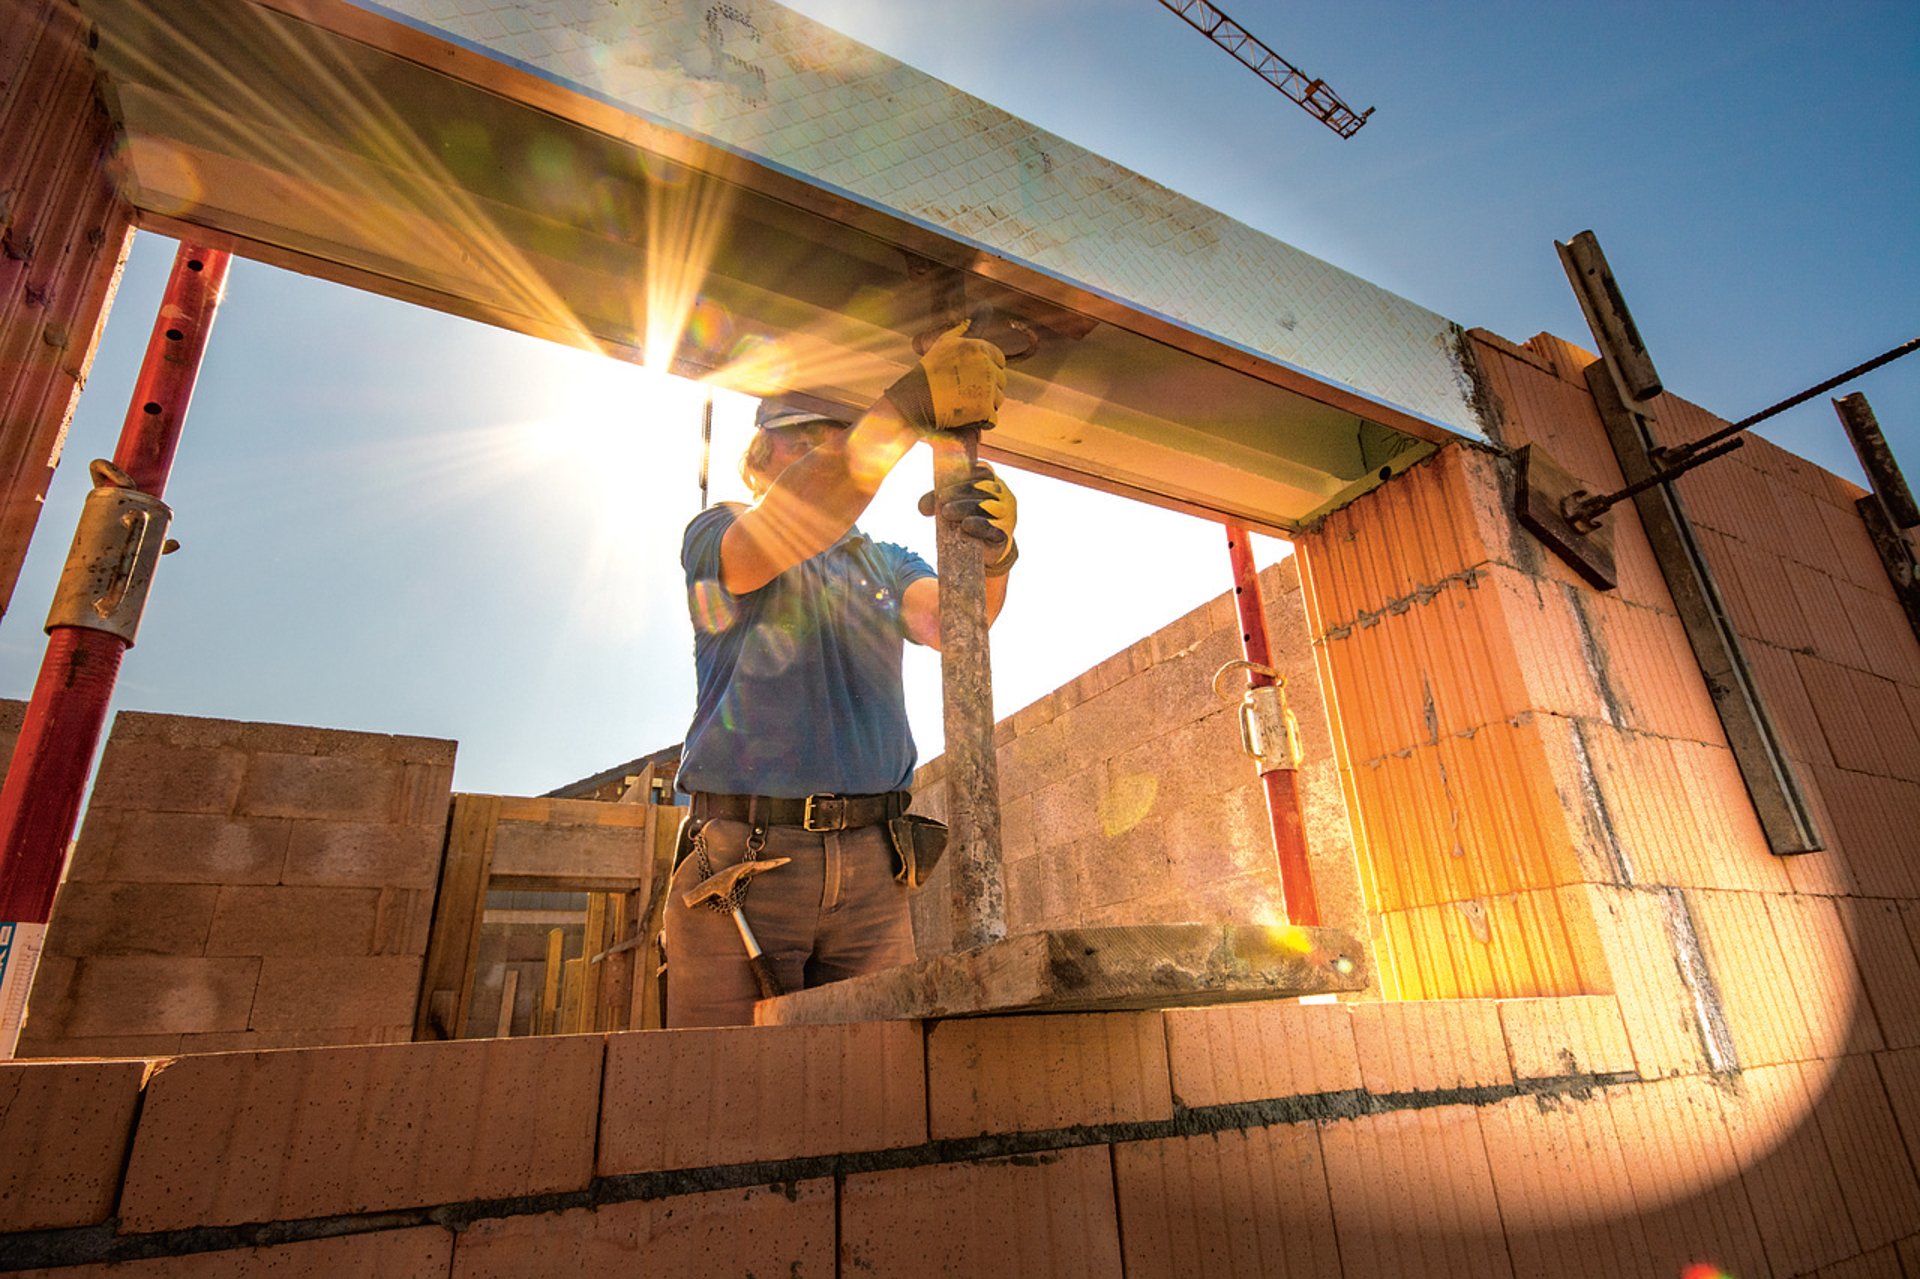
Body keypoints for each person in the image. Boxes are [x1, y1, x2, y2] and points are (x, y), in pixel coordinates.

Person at [664, 323, 1019, 1027]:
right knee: (721, 1093)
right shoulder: (721, 533)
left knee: (873, 1087)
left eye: (839, 433)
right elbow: (796, 517)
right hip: (742, 861)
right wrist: (909, 405)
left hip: (872, 866)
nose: (833, 450)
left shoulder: (885, 561)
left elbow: (957, 623)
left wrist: (997, 553)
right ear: (762, 459)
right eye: (810, 439)